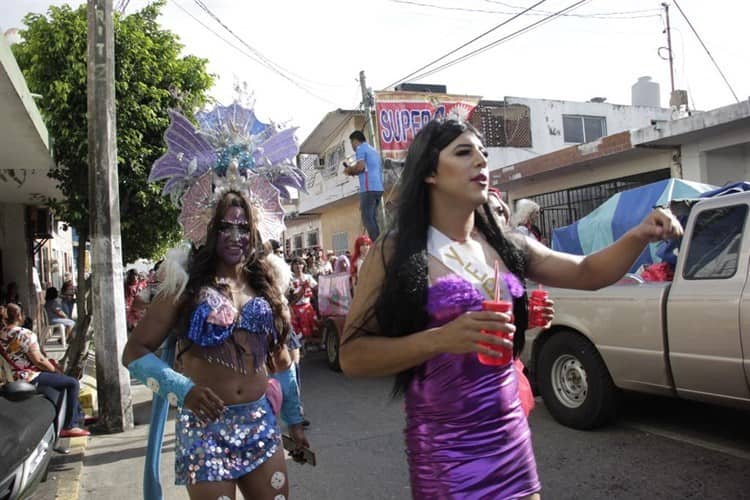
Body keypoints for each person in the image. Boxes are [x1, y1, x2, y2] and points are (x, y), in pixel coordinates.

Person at [339, 119, 683, 499]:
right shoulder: (394, 250)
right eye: (464, 152)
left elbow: (587, 271)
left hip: (511, 443)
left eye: (484, 153)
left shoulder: (506, 245)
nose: (481, 162)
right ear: (430, 173)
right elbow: (353, 357)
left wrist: (638, 235)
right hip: (446, 455)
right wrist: (440, 339)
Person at [122, 102, 310, 500]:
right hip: (204, 431)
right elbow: (135, 352)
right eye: (224, 226)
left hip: (261, 425)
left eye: (244, 227)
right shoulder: (184, 283)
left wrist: (295, 420)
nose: (235, 235)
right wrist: (182, 390)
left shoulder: (267, 284)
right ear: (206, 228)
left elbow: (281, 361)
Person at [0, 303, 90, 437]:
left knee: (64, 382)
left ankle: (79, 415)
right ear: (19, 316)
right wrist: (55, 370)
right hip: (30, 376)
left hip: (12, 378)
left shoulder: (2, 334)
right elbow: (39, 360)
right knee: (72, 383)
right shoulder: (24, 334)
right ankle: (70, 426)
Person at [344, 130, 384, 241]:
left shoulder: (360, 149)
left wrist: (350, 170)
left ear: (355, 141)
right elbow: (366, 169)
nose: (352, 146)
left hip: (368, 188)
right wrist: (355, 171)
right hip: (378, 188)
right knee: (373, 218)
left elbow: (360, 167)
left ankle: (377, 243)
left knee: (367, 218)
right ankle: (379, 241)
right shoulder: (373, 150)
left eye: (351, 143)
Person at [288, 256, 318, 341]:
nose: (298, 266)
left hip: (307, 307)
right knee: (298, 332)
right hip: (295, 309)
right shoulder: (290, 279)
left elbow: (317, 288)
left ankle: (309, 345)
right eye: (296, 264)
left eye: (300, 263)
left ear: (304, 265)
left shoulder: (308, 277)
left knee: (311, 329)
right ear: (292, 266)